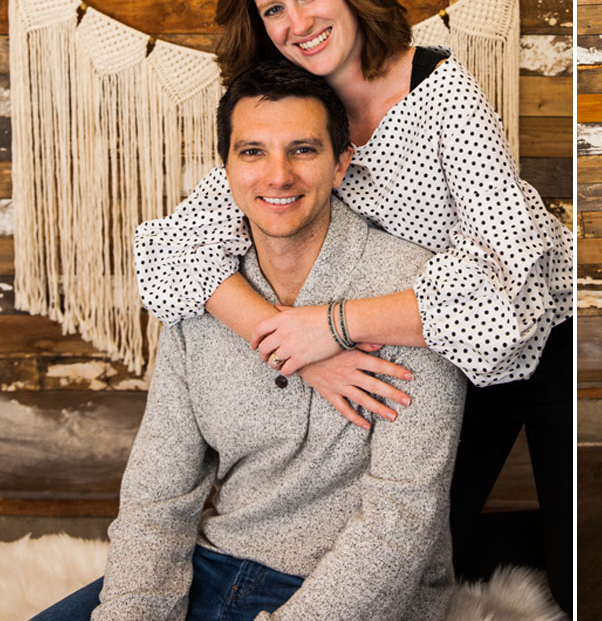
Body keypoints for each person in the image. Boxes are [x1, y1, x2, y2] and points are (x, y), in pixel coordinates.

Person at [132, 0, 573, 608]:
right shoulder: (294, 117)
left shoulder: (441, 93)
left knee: (568, 557)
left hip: (541, 335)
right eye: (273, 7)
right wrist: (289, 342)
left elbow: (502, 294)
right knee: (424, 548)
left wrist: (328, 324)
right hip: (426, 350)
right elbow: (168, 254)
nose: (297, 22)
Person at [35, 61, 464, 619]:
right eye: (253, 152)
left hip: (347, 586)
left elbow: (402, 520)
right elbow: (158, 493)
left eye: (303, 150)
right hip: (213, 564)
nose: (277, 176)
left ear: (341, 165)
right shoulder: (201, 291)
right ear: (228, 169)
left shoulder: (413, 294)